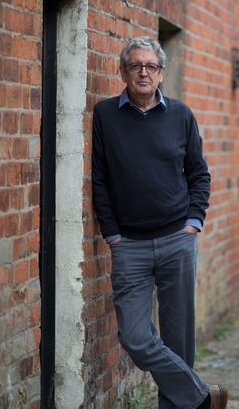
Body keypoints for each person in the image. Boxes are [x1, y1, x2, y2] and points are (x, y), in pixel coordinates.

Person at [92, 36, 227, 409]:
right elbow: (99, 178)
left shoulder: (181, 114)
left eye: (151, 66)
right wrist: (113, 235)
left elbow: (199, 174)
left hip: (176, 240)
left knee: (178, 340)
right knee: (135, 337)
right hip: (129, 246)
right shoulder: (105, 114)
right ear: (122, 70)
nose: (143, 73)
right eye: (135, 66)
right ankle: (201, 398)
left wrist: (193, 222)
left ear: (162, 72)